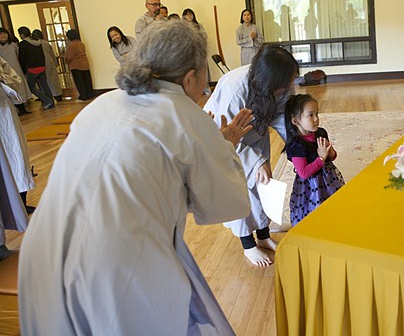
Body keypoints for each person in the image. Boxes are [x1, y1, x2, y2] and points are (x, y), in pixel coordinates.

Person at [18, 21, 254, 335]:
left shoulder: (102, 103)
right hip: (112, 266)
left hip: (42, 254)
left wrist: (211, 149)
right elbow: (229, 204)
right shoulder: (185, 115)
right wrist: (223, 148)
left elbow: (141, 182)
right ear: (190, 77)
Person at [203, 45, 299, 267]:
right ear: (271, 80)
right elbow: (224, 138)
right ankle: (248, 245)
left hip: (255, 132)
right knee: (239, 189)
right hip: (224, 141)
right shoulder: (234, 91)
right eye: (287, 83)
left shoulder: (280, 82)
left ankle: (263, 235)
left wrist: (296, 146)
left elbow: (281, 116)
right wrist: (255, 162)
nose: (290, 87)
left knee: (262, 184)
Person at [284, 94, 344, 226]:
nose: (316, 119)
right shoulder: (296, 146)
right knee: (314, 211)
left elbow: (331, 157)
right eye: (310, 115)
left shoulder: (321, 133)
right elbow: (303, 173)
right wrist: (321, 158)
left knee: (332, 204)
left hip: (328, 178)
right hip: (311, 186)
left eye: (317, 113)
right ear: (295, 121)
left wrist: (330, 153)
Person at [0, 57, 33, 260]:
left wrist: (2, 79)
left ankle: (21, 202)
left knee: (15, 160)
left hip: (4, 113)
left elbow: (15, 80)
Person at [17, 26, 55, 110]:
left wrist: (23, 70)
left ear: (22, 34)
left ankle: (48, 101)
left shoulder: (23, 44)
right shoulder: (37, 42)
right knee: (45, 85)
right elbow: (42, 55)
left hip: (32, 68)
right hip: (42, 66)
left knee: (31, 87)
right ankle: (51, 102)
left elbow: (22, 58)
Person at [0, 27, 31, 115]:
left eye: (5, 34)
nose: (3, 36)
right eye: (1, 34)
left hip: (16, 69)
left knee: (20, 88)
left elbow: (18, 56)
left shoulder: (13, 45)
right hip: (6, 72)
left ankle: (22, 108)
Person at [32, 29, 62, 102]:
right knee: (53, 80)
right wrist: (55, 64)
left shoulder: (33, 44)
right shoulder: (46, 43)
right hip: (49, 62)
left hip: (40, 64)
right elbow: (52, 55)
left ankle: (45, 97)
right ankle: (57, 95)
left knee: (43, 82)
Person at [64, 29, 94, 102]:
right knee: (87, 81)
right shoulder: (81, 44)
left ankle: (83, 97)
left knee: (79, 82)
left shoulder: (72, 45)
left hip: (76, 65)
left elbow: (68, 57)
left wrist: (66, 61)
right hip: (85, 64)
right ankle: (89, 95)